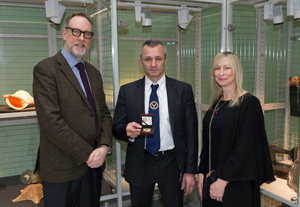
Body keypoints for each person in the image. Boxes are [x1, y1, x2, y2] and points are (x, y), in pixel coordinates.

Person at [33, 12, 112, 207]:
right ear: (65, 34)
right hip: (62, 170)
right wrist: (90, 153)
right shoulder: (46, 69)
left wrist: (103, 147)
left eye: (87, 34)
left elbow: (103, 114)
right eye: (76, 31)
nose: (81, 38)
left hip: (93, 168)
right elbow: (51, 123)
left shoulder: (93, 73)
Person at [112, 39, 198, 207]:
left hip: (172, 162)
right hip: (140, 161)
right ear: (140, 62)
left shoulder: (183, 90)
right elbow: (116, 128)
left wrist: (190, 170)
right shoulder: (127, 91)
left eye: (158, 58)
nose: (153, 64)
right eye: (148, 59)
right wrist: (127, 131)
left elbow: (191, 134)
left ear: (165, 60)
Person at [197, 51, 275, 207]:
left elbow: (245, 149)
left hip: (236, 185)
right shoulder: (216, 103)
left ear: (236, 71)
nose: (221, 73)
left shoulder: (249, 103)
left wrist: (222, 180)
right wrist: (201, 172)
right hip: (212, 182)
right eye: (217, 68)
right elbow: (209, 142)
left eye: (227, 68)